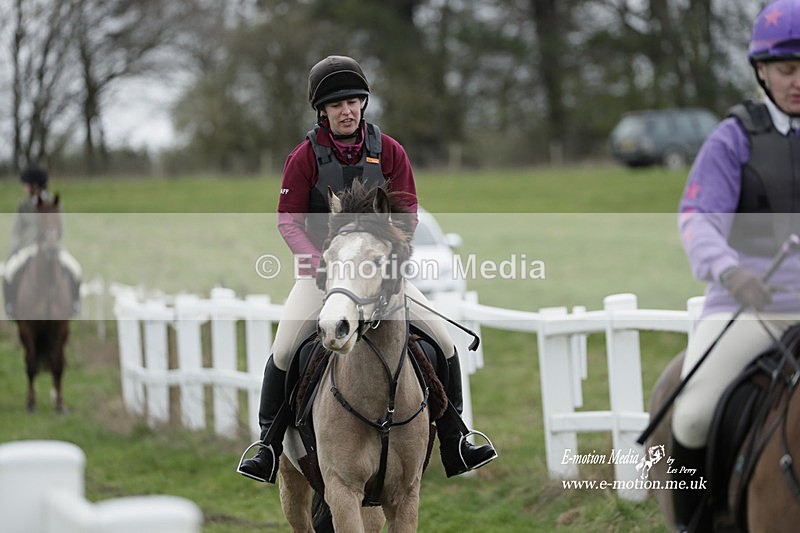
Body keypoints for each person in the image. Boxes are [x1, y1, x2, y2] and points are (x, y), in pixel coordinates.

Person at [238, 55, 497, 483]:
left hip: (380, 277)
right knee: (283, 352)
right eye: (336, 104)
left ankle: (457, 439)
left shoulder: (390, 151)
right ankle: (267, 445)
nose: (347, 110)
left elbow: (408, 214)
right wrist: (319, 264)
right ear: (322, 111)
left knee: (444, 342)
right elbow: (288, 220)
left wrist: (393, 259)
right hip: (322, 278)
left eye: (353, 101)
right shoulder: (304, 157)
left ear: (363, 103)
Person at [673, 1, 800, 530]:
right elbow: (698, 218)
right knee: (693, 415)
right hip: (754, 306)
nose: (799, 82)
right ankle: (694, 522)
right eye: (788, 69)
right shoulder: (734, 138)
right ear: (762, 71)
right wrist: (730, 271)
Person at [3, 164, 82, 319]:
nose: (24, 188)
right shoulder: (24, 205)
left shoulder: (53, 203)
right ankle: (10, 305)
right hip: (27, 248)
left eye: (26, 184)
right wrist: (15, 248)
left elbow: (60, 227)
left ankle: (74, 304)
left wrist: (53, 243)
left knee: (77, 270)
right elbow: (16, 230)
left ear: (35, 186)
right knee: (8, 272)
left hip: (52, 247)